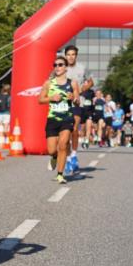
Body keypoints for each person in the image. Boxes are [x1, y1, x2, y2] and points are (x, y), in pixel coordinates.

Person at [39, 55, 78, 184]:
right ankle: (54, 157)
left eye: (60, 64)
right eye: (55, 65)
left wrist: (73, 98)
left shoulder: (72, 83)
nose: (57, 67)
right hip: (52, 119)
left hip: (67, 118)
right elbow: (40, 100)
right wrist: (51, 98)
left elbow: (77, 102)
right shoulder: (49, 83)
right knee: (51, 150)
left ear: (66, 67)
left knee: (63, 145)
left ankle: (60, 175)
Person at [63, 45, 93, 174]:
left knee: (74, 128)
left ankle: (74, 155)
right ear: (65, 55)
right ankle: (69, 158)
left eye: (73, 54)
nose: (70, 57)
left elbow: (91, 82)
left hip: (77, 103)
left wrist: (81, 90)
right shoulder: (60, 67)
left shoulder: (82, 68)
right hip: (63, 103)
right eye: (68, 54)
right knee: (66, 132)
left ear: (76, 55)